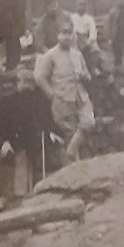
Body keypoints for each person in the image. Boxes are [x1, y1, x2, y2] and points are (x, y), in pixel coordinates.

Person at [33, 20, 94, 163]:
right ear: (57, 35)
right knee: (70, 133)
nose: (67, 37)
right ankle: (75, 169)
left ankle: (71, 152)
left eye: (70, 33)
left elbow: (87, 74)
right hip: (62, 99)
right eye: (64, 33)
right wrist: (51, 94)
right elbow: (40, 77)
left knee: (89, 122)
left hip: (81, 96)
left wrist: (85, 76)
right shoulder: (50, 55)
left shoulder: (77, 54)